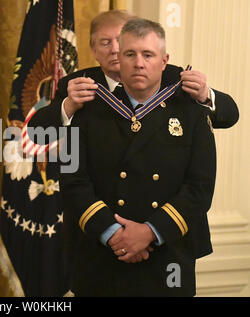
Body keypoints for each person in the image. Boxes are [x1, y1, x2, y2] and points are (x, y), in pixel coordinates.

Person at [60, 18, 216, 296]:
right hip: (101, 254)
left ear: (164, 60)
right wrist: (113, 235)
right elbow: (73, 181)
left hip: (168, 255)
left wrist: (149, 233)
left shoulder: (192, 111)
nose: (139, 63)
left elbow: (199, 188)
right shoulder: (85, 110)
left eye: (148, 54)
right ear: (119, 58)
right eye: (130, 54)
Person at [28, 10, 238, 132]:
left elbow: (230, 116)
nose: (115, 49)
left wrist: (204, 96)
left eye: (121, 41)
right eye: (105, 42)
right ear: (93, 50)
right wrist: (69, 105)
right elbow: (37, 133)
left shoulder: (172, 78)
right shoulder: (79, 83)